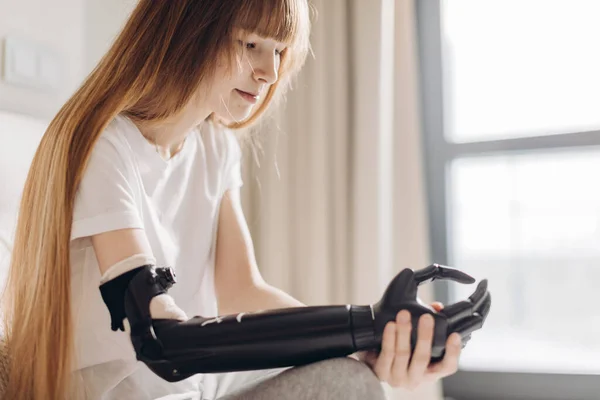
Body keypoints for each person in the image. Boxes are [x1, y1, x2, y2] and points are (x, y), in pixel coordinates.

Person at [0, 1, 465, 399]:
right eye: (250, 45)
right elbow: (157, 335)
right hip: (124, 390)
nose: (270, 72)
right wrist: (358, 325)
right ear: (186, 30)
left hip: (192, 387)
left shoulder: (214, 146)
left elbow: (243, 289)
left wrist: (368, 341)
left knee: (352, 377)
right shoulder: (104, 145)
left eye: (280, 51)